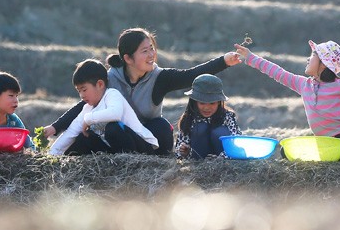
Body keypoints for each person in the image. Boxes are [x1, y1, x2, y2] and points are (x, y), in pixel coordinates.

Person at [44, 27, 241, 155]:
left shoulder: (160, 77)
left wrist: (224, 61)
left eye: (152, 49)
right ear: (128, 58)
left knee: (163, 127)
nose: (152, 55)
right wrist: (55, 127)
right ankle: (128, 158)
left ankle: (136, 157)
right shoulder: (111, 78)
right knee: (104, 131)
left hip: (148, 135)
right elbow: (85, 104)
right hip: (119, 135)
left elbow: (191, 75)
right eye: (144, 51)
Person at [49, 59, 158, 155]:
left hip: (141, 147)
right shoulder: (87, 109)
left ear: (100, 84)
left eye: (84, 89)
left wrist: (88, 119)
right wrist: (52, 154)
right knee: (83, 138)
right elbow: (71, 132)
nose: (82, 95)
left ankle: (129, 163)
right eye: (79, 91)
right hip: (115, 149)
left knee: (113, 128)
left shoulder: (112, 94)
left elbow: (115, 114)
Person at [175, 74, 241, 159]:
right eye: (202, 103)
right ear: (194, 102)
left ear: (219, 102)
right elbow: (179, 151)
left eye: (212, 103)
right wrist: (185, 152)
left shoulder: (227, 116)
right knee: (200, 127)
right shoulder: (189, 119)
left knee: (219, 131)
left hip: (223, 157)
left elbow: (237, 141)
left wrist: (222, 157)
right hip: (198, 159)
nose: (206, 107)